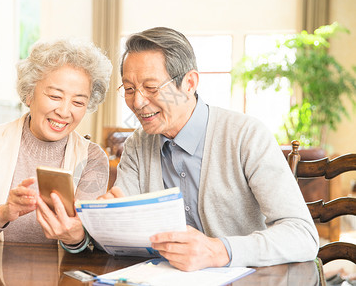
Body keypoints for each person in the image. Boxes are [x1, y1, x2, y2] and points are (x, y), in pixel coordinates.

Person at [101, 27, 319, 271]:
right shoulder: (137, 145)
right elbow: (125, 234)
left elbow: (302, 235)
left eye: (151, 88)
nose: (138, 102)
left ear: (189, 83)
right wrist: (104, 223)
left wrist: (220, 250)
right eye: (129, 90)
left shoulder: (246, 135)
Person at [0, 39, 112, 253]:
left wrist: (77, 237)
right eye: (55, 96)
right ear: (29, 93)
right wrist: (3, 213)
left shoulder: (92, 158)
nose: (64, 112)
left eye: (78, 102)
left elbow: (89, 243)